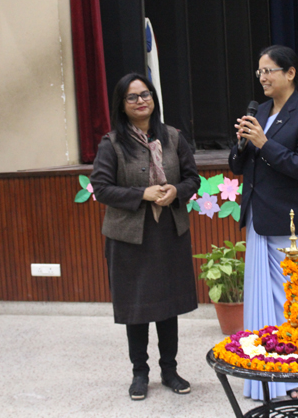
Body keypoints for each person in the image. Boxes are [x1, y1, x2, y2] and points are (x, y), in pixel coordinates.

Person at [228, 45, 298, 401]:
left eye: (269, 70)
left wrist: (263, 143)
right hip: (262, 218)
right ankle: (271, 365)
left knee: (297, 299)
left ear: (290, 73)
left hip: (296, 225)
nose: (262, 77)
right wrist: (241, 145)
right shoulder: (260, 111)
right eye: (259, 71)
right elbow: (240, 166)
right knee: (271, 301)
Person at [90, 73, 200, 401]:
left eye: (146, 94)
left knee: (168, 305)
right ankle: (140, 373)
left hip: (169, 232)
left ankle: (170, 370)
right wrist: (143, 194)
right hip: (129, 238)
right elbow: (101, 188)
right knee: (136, 306)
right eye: (132, 97)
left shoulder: (174, 137)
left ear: (154, 98)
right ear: (122, 105)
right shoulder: (111, 143)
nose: (141, 101)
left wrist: (175, 191)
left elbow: (193, 179)